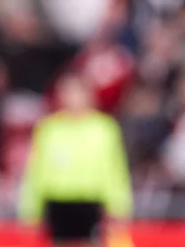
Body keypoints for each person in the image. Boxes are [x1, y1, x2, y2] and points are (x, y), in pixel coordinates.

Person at [19, 74, 133, 247]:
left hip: (92, 201)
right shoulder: (48, 129)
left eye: (78, 92)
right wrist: (31, 209)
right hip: (57, 201)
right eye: (68, 92)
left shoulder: (104, 128)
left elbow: (116, 169)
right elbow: (35, 171)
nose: (73, 98)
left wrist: (119, 205)